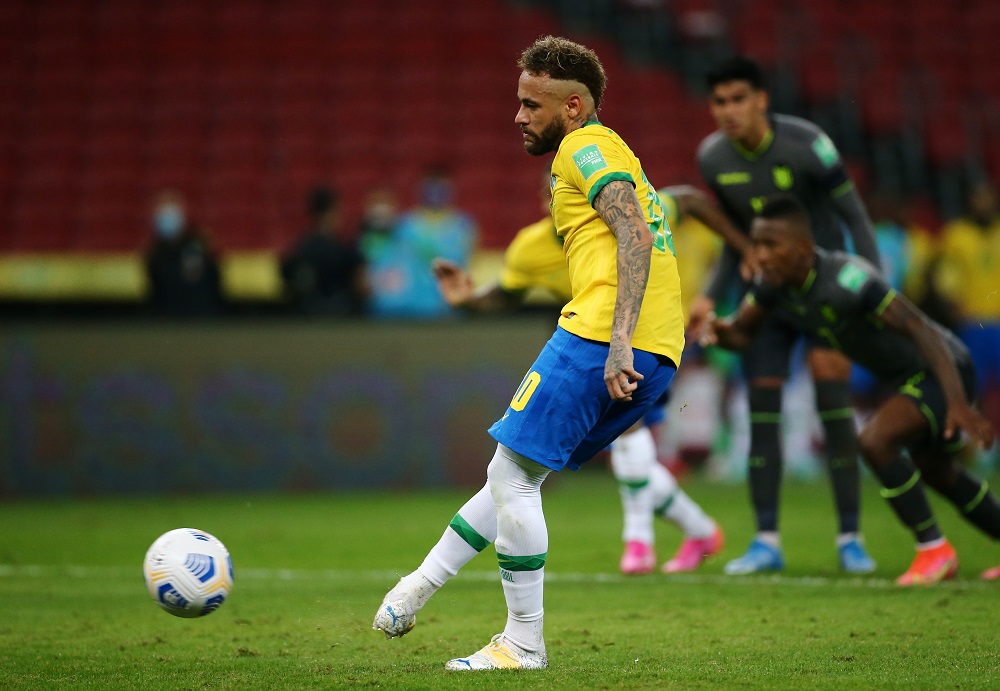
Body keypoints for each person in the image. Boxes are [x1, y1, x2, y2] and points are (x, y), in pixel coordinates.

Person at [372, 36, 685, 670]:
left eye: (529, 104)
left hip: (603, 335)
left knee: (512, 474)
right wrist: (470, 299)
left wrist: (616, 338)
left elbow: (631, 230)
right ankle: (418, 590)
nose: (517, 117)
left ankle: (522, 643)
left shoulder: (585, 145)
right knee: (513, 474)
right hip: (658, 348)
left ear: (572, 106)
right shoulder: (595, 157)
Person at [432, 169, 757, 575]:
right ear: (545, 203)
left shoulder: (623, 219)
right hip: (593, 349)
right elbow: (507, 293)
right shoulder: (531, 248)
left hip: (649, 341)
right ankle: (700, 531)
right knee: (619, 451)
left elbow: (689, 200)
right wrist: (469, 302)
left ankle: (638, 543)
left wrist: (744, 248)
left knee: (625, 438)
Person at [701, 194, 1000, 584]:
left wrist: (958, 402)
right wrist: (722, 334)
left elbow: (920, 328)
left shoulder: (848, 279)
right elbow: (742, 334)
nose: (760, 254)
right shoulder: (773, 284)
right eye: (756, 243)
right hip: (907, 380)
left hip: (942, 369)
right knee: (938, 472)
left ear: (803, 248)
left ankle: (935, 551)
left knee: (876, 441)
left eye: (771, 244)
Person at [688, 55, 882, 575]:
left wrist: (871, 286)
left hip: (824, 295)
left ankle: (850, 538)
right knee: (763, 414)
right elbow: (735, 242)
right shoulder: (713, 158)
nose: (728, 111)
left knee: (833, 405)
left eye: (738, 99)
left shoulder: (808, 145)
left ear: (761, 100)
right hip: (767, 297)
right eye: (719, 102)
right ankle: (766, 541)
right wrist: (712, 294)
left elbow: (854, 215)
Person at [934, 178, 1000, 448]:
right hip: (974, 325)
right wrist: (954, 309)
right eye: (977, 198)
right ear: (969, 202)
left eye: (987, 197)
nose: (982, 203)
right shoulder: (956, 235)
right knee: (975, 390)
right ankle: (979, 446)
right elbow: (946, 281)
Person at [367, 166, 477, 319]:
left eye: (441, 186)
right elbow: (383, 258)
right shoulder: (405, 224)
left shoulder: (464, 225)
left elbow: (466, 261)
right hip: (411, 306)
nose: (436, 192)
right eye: (432, 185)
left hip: (447, 307)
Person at [280, 186, 368, 316]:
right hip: (342, 314)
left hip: (306, 314)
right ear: (329, 213)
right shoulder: (345, 250)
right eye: (338, 211)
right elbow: (361, 287)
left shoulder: (301, 248)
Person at [144, 189, 224, 317]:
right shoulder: (154, 253)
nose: (168, 218)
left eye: (172, 213)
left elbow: (214, 281)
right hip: (166, 321)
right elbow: (154, 291)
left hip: (203, 318)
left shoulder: (199, 244)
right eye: (163, 213)